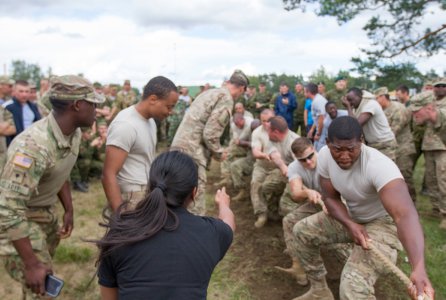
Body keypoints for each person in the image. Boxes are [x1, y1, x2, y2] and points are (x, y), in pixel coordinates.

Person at [290, 116, 434, 300]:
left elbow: (405, 215)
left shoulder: (379, 166)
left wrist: (418, 268)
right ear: (327, 143)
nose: (344, 156)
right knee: (302, 231)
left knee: (352, 287)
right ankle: (319, 290)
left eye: (351, 149)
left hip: (383, 224)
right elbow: (330, 198)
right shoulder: (325, 155)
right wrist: (350, 224)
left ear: (361, 142)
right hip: (352, 216)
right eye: (337, 149)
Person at [0, 75, 104, 298]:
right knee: (42, 283)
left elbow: (60, 170)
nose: (97, 108)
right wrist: (30, 263)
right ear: (77, 105)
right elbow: (8, 209)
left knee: (38, 283)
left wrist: (69, 208)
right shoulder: (32, 147)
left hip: (43, 211)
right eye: (93, 103)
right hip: (18, 219)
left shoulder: (73, 132)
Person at [95, 151, 235, 300]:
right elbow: (228, 223)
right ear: (194, 193)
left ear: (149, 187)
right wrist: (223, 204)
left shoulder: (119, 236)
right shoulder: (212, 234)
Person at [171, 70, 249, 216]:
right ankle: (195, 232)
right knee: (195, 196)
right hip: (192, 151)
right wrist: (219, 153)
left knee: (178, 192)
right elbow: (210, 133)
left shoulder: (211, 93)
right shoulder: (226, 98)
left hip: (180, 146)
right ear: (242, 88)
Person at [102, 76, 178, 212]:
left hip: (145, 192)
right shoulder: (126, 125)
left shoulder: (150, 121)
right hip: (130, 197)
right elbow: (109, 174)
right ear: (153, 99)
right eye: (168, 107)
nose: (170, 112)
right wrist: (120, 215)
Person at [411, 88, 446, 229]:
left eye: (416, 110)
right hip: (429, 147)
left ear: (430, 107)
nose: (413, 114)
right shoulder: (435, 120)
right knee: (432, 180)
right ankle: (438, 210)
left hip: (441, 149)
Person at [375, 87, 417, 202]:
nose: (375, 101)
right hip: (391, 149)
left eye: (377, 98)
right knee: (392, 177)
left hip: (403, 148)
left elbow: (393, 131)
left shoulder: (398, 108)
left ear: (383, 96)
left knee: (405, 176)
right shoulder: (382, 110)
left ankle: (411, 201)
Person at [343, 87, 397, 160]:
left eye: (351, 100)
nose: (350, 102)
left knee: (386, 170)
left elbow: (355, 125)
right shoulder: (357, 108)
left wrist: (348, 107)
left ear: (359, 96)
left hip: (384, 145)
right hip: (373, 145)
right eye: (348, 101)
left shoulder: (371, 104)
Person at [4, 80, 41, 145]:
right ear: (14, 91)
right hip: (15, 144)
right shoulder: (7, 107)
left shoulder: (33, 106)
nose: (24, 94)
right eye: (21, 91)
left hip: (32, 142)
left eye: (27, 91)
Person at [306, 83, 327, 150]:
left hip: (324, 132)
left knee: (320, 152)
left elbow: (322, 118)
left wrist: (318, 134)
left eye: (304, 91)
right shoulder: (316, 99)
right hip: (321, 131)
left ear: (308, 92)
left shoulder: (318, 101)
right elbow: (317, 118)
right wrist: (312, 130)